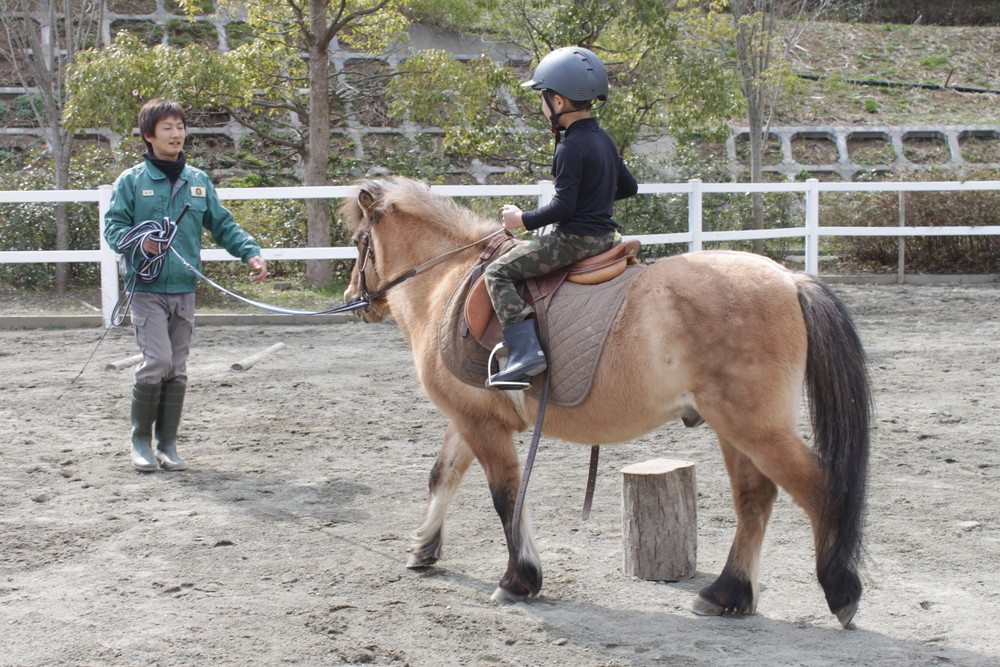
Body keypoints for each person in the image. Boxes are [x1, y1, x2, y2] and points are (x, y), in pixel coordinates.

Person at [104, 98, 267, 472]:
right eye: (167, 128)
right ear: (149, 136)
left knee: (177, 367)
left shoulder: (198, 181)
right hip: (146, 289)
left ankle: (168, 444)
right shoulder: (131, 181)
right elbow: (113, 229)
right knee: (157, 361)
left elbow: (223, 224)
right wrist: (139, 241)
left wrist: (250, 253)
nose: (176, 133)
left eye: (179, 126)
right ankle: (140, 441)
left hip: (184, 289)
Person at [484, 46, 638, 389]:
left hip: (574, 241)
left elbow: (564, 209)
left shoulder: (571, 147)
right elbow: (628, 187)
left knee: (497, 271)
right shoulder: (604, 139)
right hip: (606, 239)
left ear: (558, 102)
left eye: (542, 98)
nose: (541, 105)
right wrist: (595, 199)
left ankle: (525, 355)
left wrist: (519, 219)